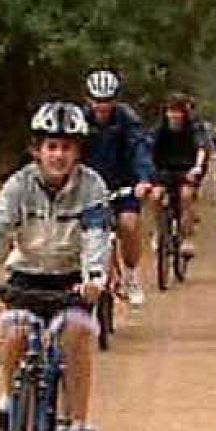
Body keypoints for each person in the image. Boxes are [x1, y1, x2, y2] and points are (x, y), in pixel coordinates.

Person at [0, 101, 109, 431]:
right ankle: (11, 403)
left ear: (78, 151)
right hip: (27, 276)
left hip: (72, 279)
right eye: (51, 146)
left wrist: (94, 277)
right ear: (37, 150)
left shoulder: (91, 186)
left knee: (76, 336)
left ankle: (77, 425)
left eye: (67, 147)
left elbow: (96, 234)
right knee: (15, 334)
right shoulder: (19, 185)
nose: (58, 155)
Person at [81, 68, 155, 306]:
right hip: (89, 187)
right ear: (88, 99)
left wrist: (143, 179)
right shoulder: (80, 121)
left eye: (107, 101)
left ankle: (131, 276)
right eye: (97, 101)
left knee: (128, 224)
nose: (101, 106)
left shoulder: (127, 120)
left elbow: (139, 149)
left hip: (123, 184)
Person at [149, 92, 209, 257]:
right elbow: (148, 148)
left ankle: (186, 237)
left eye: (178, 111)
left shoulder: (194, 127)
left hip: (187, 170)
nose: (174, 116)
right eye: (170, 111)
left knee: (186, 196)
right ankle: (158, 229)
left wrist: (197, 167)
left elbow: (202, 148)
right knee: (155, 196)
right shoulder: (159, 128)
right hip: (164, 170)